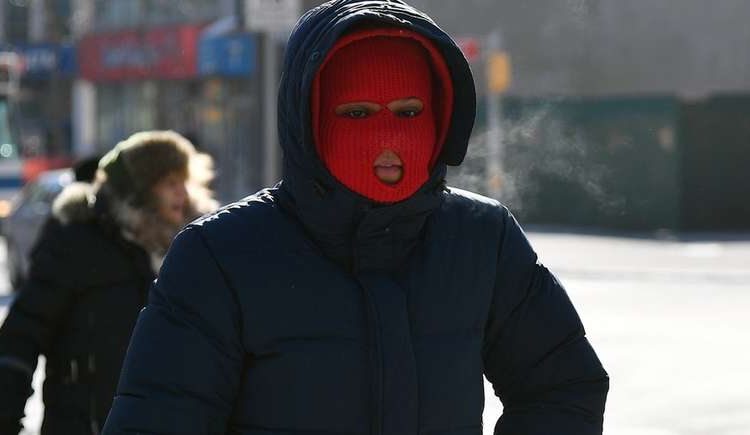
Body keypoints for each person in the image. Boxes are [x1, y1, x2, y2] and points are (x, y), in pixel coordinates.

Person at [104, 1, 609, 434]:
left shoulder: (482, 237)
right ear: (311, 121)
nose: (387, 139)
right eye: (358, 114)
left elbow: (561, 386)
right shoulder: (220, 255)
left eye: (409, 112)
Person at [0, 131, 217, 435]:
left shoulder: (192, 246)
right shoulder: (76, 240)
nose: (181, 193)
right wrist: (5, 395)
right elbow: (28, 321)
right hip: (85, 421)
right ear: (139, 190)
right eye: (170, 183)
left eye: (185, 182)